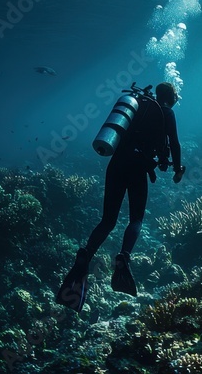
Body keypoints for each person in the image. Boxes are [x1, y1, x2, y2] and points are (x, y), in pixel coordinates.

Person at [56, 82, 184, 311]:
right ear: (171, 96)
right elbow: (173, 142)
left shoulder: (138, 104)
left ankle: (86, 254)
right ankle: (124, 257)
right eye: (176, 95)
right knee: (136, 219)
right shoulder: (166, 112)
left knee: (108, 220)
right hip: (137, 169)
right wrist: (177, 168)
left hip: (115, 165)